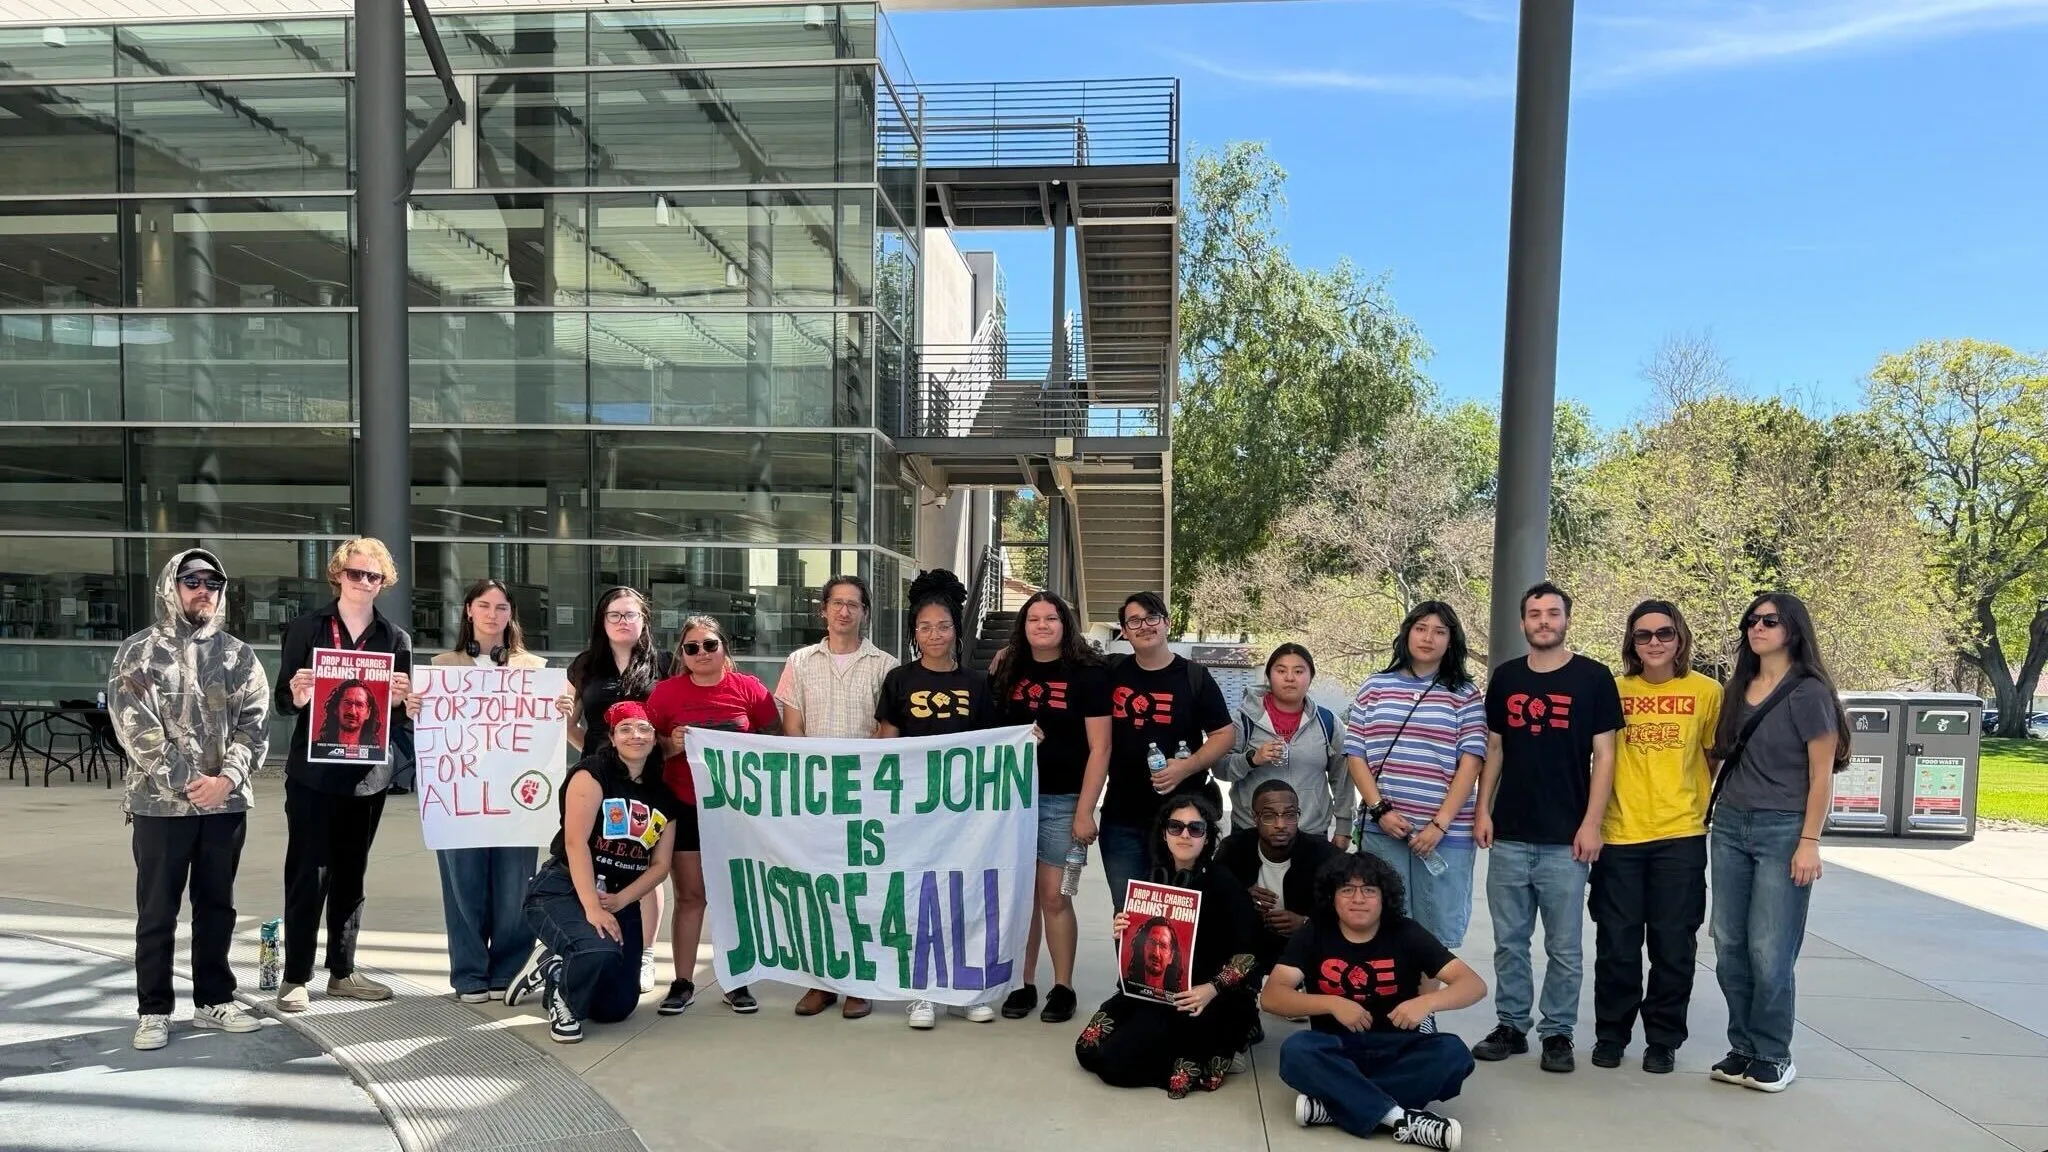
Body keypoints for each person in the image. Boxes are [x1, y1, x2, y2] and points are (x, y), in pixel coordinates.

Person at [109, 549, 271, 1051]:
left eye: (213, 583)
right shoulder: (138, 652)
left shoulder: (238, 655)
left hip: (224, 806)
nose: (204, 590)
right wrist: (186, 780)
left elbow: (256, 721)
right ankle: (154, 1009)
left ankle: (214, 999)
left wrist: (227, 779)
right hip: (160, 806)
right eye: (192, 581)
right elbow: (132, 725)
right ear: (171, 587)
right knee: (157, 909)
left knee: (217, 906)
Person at [1470, 582, 1622, 1073]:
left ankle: (1558, 1033)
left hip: (1566, 839)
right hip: (1510, 832)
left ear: (1566, 619)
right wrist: (1482, 809)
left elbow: (1606, 756)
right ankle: (1512, 1025)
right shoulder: (1507, 677)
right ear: (1522, 622)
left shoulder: (1594, 678)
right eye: (1534, 613)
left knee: (1563, 946)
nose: (1543, 621)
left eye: (1551, 613)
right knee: (1510, 941)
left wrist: (1592, 823)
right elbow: (1494, 749)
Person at [1706, 592, 1847, 1094]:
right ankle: (1742, 1046)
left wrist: (1810, 840)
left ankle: (1772, 1053)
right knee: (1729, 943)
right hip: (1729, 827)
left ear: (1793, 628)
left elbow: (1821, 776)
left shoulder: (1808, 693)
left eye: (1769, 620)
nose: (1757, 628)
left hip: (1784, 828)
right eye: (1751, 620)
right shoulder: (1737, 686)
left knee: (1770, 947)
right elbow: (1719, 756)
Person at [273, 537, 413, 1014]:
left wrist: (399, 702)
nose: (364, 583)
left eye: (373, 576)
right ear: (338, 575)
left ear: (384, 582)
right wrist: (297, 692)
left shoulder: (394, 639)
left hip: (366, 779)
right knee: (307, 874)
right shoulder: (307, 628)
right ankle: (295, 977)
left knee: (352, 875)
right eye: (355, 573)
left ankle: (342, 972)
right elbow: (281, 702)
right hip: (313, 775)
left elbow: (400, 719)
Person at [1264, 853, 1484, 1151]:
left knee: (1453, 1053)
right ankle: (1399, 1117)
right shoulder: (1315, 933)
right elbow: (1272, 996)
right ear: (1333, 897)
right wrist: (1332, 1003)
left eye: (1369, 890)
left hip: (1397, 1048)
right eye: (1347, 890)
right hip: (1336, 1049)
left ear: (1384, 897)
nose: (1358, 899)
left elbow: (1473, 984)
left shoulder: (1406, 932)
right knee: (1296, 1051)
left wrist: (1428, 1002)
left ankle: (1336, 1105)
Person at [404, 579, 550, 1004]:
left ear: (511, 615)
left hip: (516, 799)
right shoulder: (441, 666)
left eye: (501, 607)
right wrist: (415, 710)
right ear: (468, 611)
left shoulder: (535, 669)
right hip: (459, 794)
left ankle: (507, 969)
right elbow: (431, 733)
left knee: (514, 888)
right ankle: (469, 974)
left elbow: (546, 729)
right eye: (483, 605)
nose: (492, 614)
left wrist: (560, 708)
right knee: (462, 885)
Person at [1592, 600, 1721, 1074]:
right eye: (1643, 635)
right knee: (1617, 944)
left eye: (1663, 634)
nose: (1654, 643)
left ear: (1680, 638)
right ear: (1631, 642)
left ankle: (1662, 1040)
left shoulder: (1708, 692)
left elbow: (1713, 757)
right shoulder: (1612, 689)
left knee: (1673, 945)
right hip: (1620, 835)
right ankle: (1611, 1034)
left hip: (1680, 834)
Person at [874, 569, 1003, 1029]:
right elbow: (884, 746)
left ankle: (965, 989)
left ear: (957, 631)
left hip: (965, 813)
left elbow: (994, 743)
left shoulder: (978, 683)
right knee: (919, 898)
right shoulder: (898, 680)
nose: (934, 635)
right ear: (914, 633)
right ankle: (922, 991)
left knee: (963, 894)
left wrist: (1025, 739)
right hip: (913, 810)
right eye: (925, 627)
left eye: (943, 626)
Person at [508, 701, 680, 1044]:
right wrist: (593, 907)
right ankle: (564, 1001)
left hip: (619, 896)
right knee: (595, 951)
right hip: (566, 889)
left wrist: (619, 901)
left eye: (644, 728)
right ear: (612, 737)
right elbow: (575, 843)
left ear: (655, 738)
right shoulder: (592, 773)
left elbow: (660, 866)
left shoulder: (662, 794)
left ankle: (556, 966)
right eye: (626, 728)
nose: (636, 735)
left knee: (617, 1007)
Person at [1075, 795, 1262, 1099]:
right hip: (1155, 992)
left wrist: (1211, 989)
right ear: (1163, 833)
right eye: (1175, 827)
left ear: (1207, 836)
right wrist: (1123, 931)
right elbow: (1142, 948)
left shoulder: (1224, 884)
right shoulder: (1153, 879)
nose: (1185, 835)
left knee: (1122, 1067)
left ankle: (1231, 1037)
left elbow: (1250, 954)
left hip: (1203, 997)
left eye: (1195, 828)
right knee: (1088, 1047)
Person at [774, 573, 896, 1019]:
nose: (845, 611)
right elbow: (792, 728)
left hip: (864, 796)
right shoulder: (800, 661)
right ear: (823, 610)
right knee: (815, 887)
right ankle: (819, 981)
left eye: (854, 604)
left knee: (860, 890)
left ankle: (860, 983)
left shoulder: (885, 665)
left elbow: (887, 731)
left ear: (865, 612)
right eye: (837, 603)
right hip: (815, 796)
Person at [645, 614, 779, 1017]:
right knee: (691, 897)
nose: (701, 653)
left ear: (724, 648)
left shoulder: (749, 689)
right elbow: (643, 748)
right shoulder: (666, 695)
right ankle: (683, 982)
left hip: (737, 809)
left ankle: (735, 979)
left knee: (736, 895)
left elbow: (775, 739)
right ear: (682, 654)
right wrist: (671, 744)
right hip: (684, 806)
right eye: (691, 647)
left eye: (709, 645)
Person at [990, 590, 1110, 1025]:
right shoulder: (1007, 668)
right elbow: (992, 731)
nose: (1042, 625)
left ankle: (1063, 986)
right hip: (1011, 801)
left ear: (1065, 624)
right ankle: (1023, 984)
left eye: (1051, 618)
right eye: (1033, 619)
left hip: (1062, 800)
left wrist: (1085, 810)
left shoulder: (1088, 674)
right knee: (1021, 898)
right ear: (1023, 626)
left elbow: (1101, 748)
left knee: (1054, 896)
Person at [1346, 602, 1488, 965]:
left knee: (1434, 927)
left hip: (1444, 834)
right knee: (1383, 920)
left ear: (1451, 641)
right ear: (1407, 632)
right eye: (1422, 628)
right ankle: (1390, 1005)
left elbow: (1471, 762)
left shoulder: (1465, 694)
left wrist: (1439, 825)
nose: (1429, 638)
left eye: (1440, 632)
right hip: (1383, 829)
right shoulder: (1375, 686)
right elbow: (1355, 753)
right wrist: (1380, 811)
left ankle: (1424, 1011)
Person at [560, 586, 671, 997]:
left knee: (643, 864)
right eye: (614, 615)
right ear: (601, 621)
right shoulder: (585, 666)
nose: (623, 621)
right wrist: (579, 740)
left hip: (647, 779)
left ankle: (644, 953)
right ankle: (590, 938)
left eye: (630, 614)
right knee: (590, 856)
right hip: (596, 778)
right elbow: (574, 729)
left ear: (644, 620)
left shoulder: (664, 665)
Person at [1100, 592, 1234, 912]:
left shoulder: (1195, 677)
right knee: (1128, 917)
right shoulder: (1110, 670)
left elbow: (1224, 734)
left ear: (1167, 624)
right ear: (1123, 630)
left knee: (1179, 919)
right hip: (1122, 819)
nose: (1144, 626)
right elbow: (1064, 662)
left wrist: (1187, 767)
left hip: (1181, 822)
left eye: (1152, 618)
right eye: (1134, 620)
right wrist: (1012, 650)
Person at [1217, 644, 1353, 851]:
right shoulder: (1242, 719)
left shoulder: (1328, 722)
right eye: (1281, 671)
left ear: (1311, 677)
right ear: (1269, 676)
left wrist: (1343, 827)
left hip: (1310, 833)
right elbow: (1220, 769)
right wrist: (1252, 759)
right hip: (1251, 832)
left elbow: (1342, 778)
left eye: (1299, 671)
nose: (1290, 678)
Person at [1216, 780, 1339, 971]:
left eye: (1290, 815)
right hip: (1247, 955)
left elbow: (1347, 914)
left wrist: (1306, 924)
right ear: (1254, 817)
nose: (1280, 824)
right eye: (1268, 816)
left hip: (1309, 955)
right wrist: (1241, 898)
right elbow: (1213, 903)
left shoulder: (1326, 856)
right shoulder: (1233, 849)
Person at [314, 681, 379, 752]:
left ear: (368, 713)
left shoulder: (377, 756)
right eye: (347, 703)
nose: (352, 711)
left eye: (360, 705)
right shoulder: (314, 751)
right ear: (336, 708)